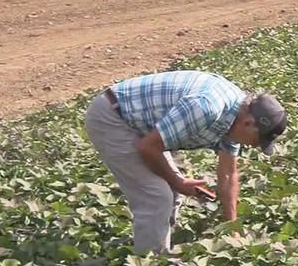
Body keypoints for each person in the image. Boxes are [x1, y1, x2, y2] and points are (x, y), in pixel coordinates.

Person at [83, 70, 287, 254]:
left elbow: (228, 175)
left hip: (143, 126)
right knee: (157, 196)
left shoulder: (236, 118)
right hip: (114, 117)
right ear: (248, 123)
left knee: (172, 193)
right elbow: (148, 147)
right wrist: (177, 181)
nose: (255, 145)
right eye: (258, 139)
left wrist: (232, 229)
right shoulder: (207, 108)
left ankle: (160, 243)